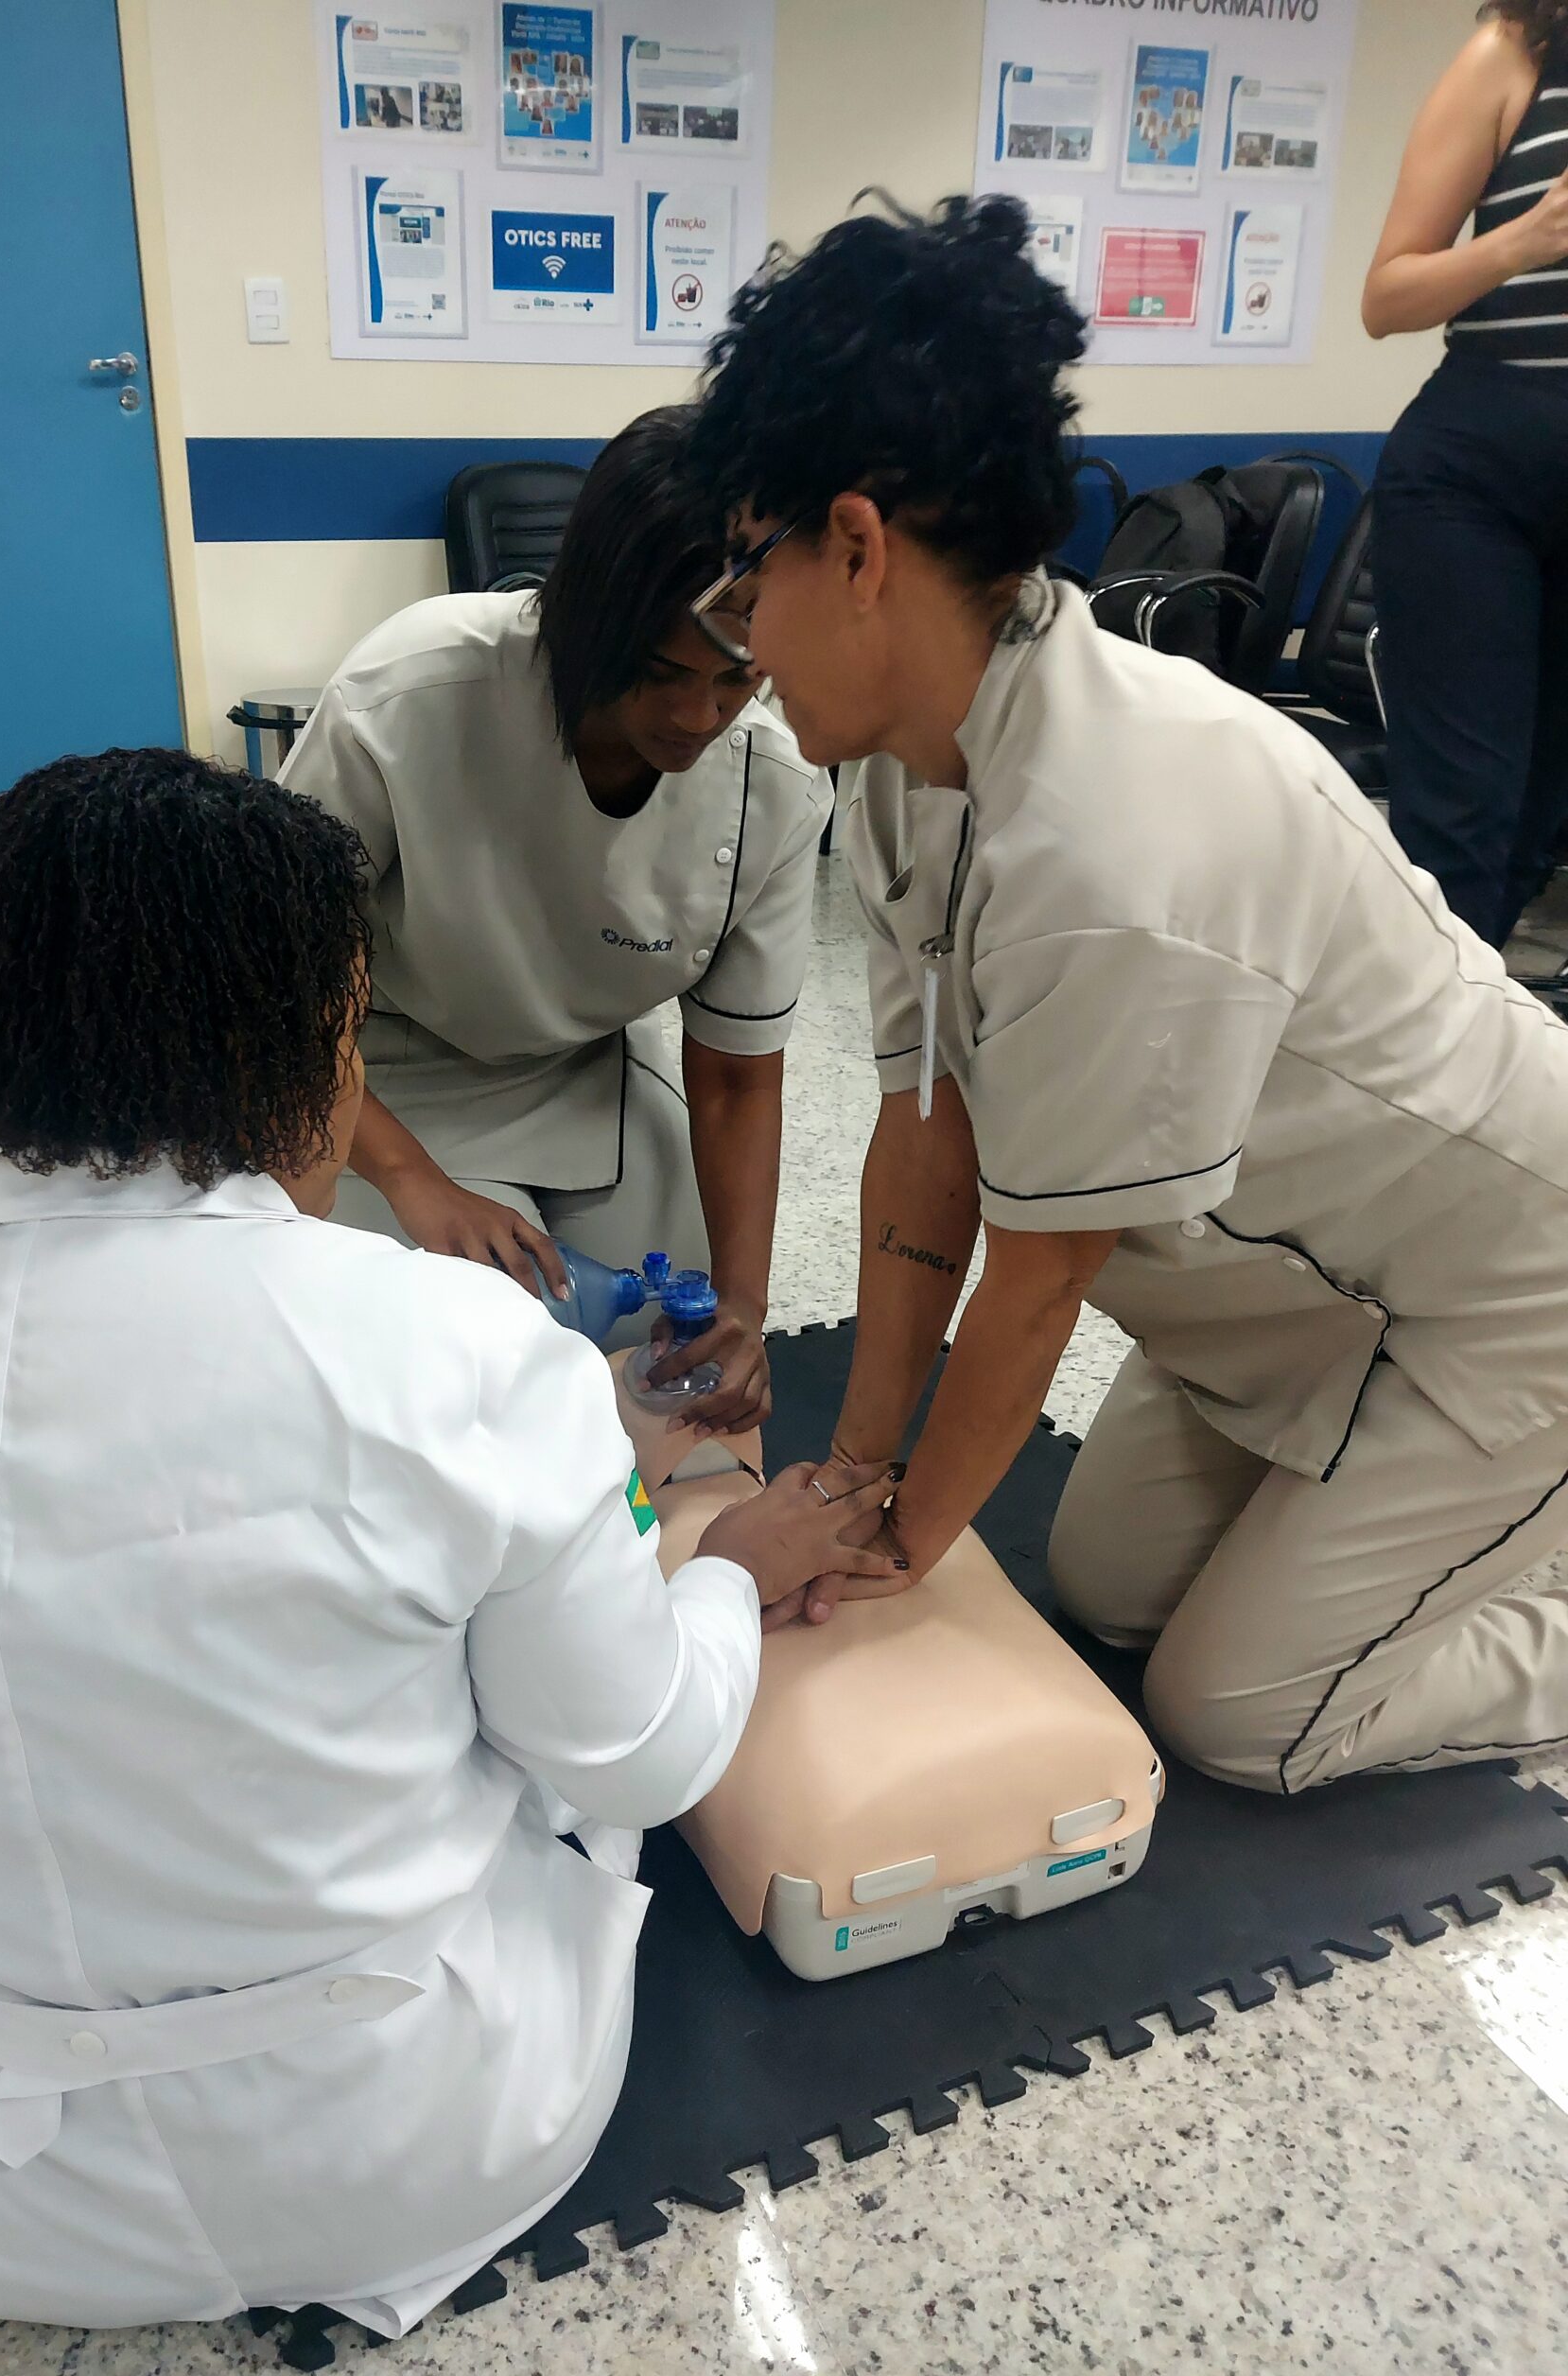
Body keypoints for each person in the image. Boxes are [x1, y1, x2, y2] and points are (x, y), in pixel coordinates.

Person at [0, 748, 897, 2331]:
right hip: (410, 2145)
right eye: (353, 1037)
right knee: (544, 1736)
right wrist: (719, 1566)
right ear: (301, 1057)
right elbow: (639, 1756)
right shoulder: (456, 1350)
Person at [685, 194, 1568, 1795]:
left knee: (1244, 1718)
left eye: (750, 574)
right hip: (1295, 1295)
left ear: (861, 548)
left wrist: (884, 1558)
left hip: (1507, 1295)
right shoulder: (911, 763)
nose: (740, 638)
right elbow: (923, 1145)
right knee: (1105, 1590)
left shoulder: (1111, 841)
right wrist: (859, 1467)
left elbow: (1033, 1282)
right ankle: (1444, 1521)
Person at [281, 406, 828, 1433]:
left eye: (736, 679)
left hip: (587, 1072)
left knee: (674, 1361)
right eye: (662, 673)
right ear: (584, 617)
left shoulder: (775, 785)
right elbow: (277, 999)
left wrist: (748, 1313)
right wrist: (414, 1182)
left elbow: (739, 1079)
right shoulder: (406, 697)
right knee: (462, 1370)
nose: (698, 717)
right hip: (372, 1069)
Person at [1364, 0, 1568, 945]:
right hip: (1475, 482)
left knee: (1535, 829)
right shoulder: (1510, 52)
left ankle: (1472, 1068)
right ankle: (1411, 1080)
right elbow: (1386, 295)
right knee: (1461, 838)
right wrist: (1521, 242)